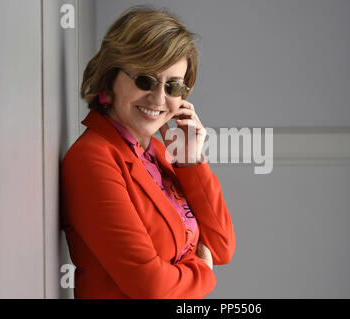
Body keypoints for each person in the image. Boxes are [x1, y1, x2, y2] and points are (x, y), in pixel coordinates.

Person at [61, 5, 235, 299]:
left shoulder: (157, 151)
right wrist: (202, 272)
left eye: (173, 86)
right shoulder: (92, 158)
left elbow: (221, 246)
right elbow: (150, 287)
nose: (158, 98)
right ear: (111, 77)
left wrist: (191, 161)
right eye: (145, 80)